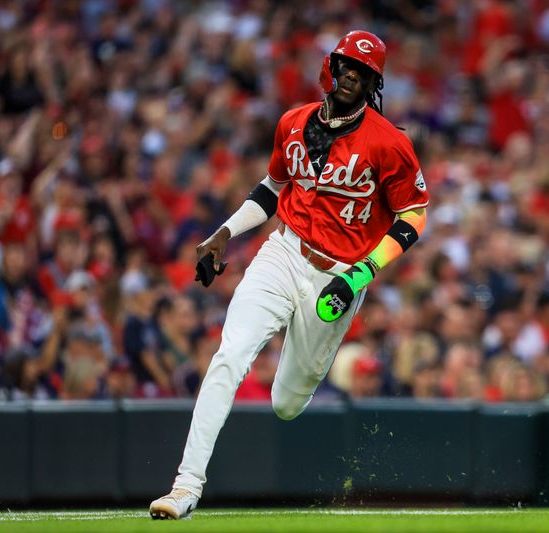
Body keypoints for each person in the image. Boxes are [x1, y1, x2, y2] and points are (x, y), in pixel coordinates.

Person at [149, 30, 429, 520]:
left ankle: (289, 388)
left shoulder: (390, 144)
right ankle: (185, 487)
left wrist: (362, 274)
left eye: (361, 71)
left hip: (340, 274)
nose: (350, 75)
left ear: (373, 84)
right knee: (229, 356)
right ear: (330, 66)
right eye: (345, 64)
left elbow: (415, 216)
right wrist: (225, 232)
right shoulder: (293, 122)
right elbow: (274, 187)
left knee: (286, 403)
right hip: (284, 250)